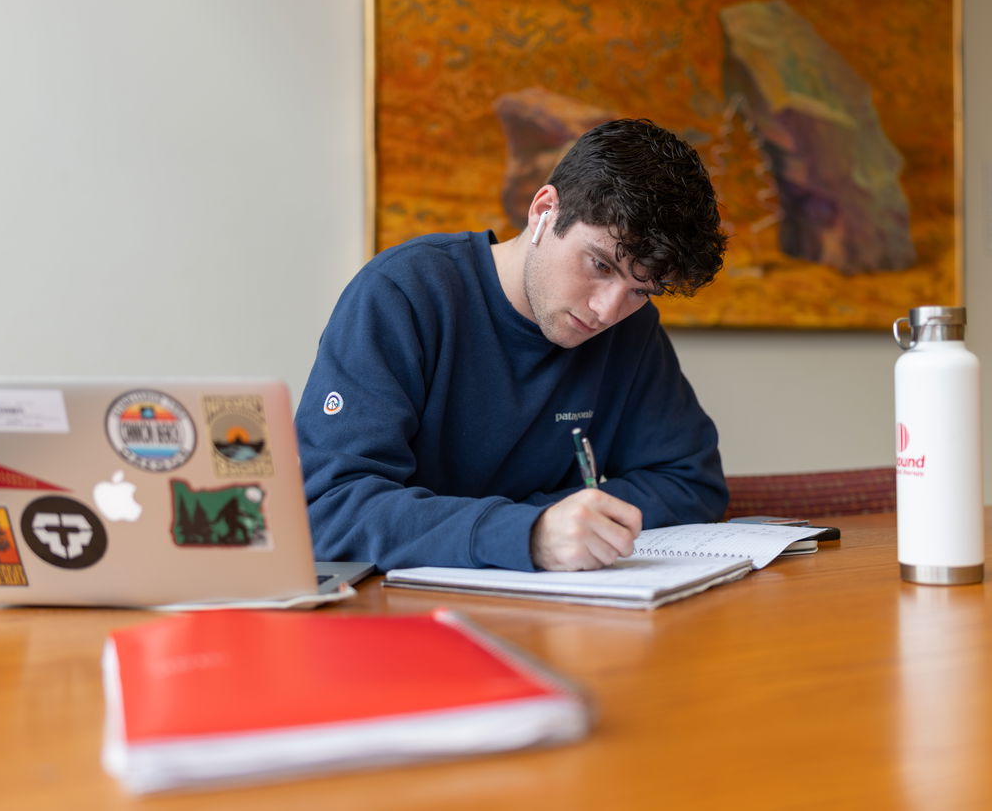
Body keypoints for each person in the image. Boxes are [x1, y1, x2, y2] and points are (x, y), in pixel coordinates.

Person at [296, 118, 729, 572]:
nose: (607, 310)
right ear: (544, 210)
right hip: (391, 615)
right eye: (600, 264)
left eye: (641, 291)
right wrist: (526, 531)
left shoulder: (630, 330)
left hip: (551, 614)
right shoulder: (402, 293)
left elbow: (692, 484)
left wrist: (556, 521)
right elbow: (327, 506)